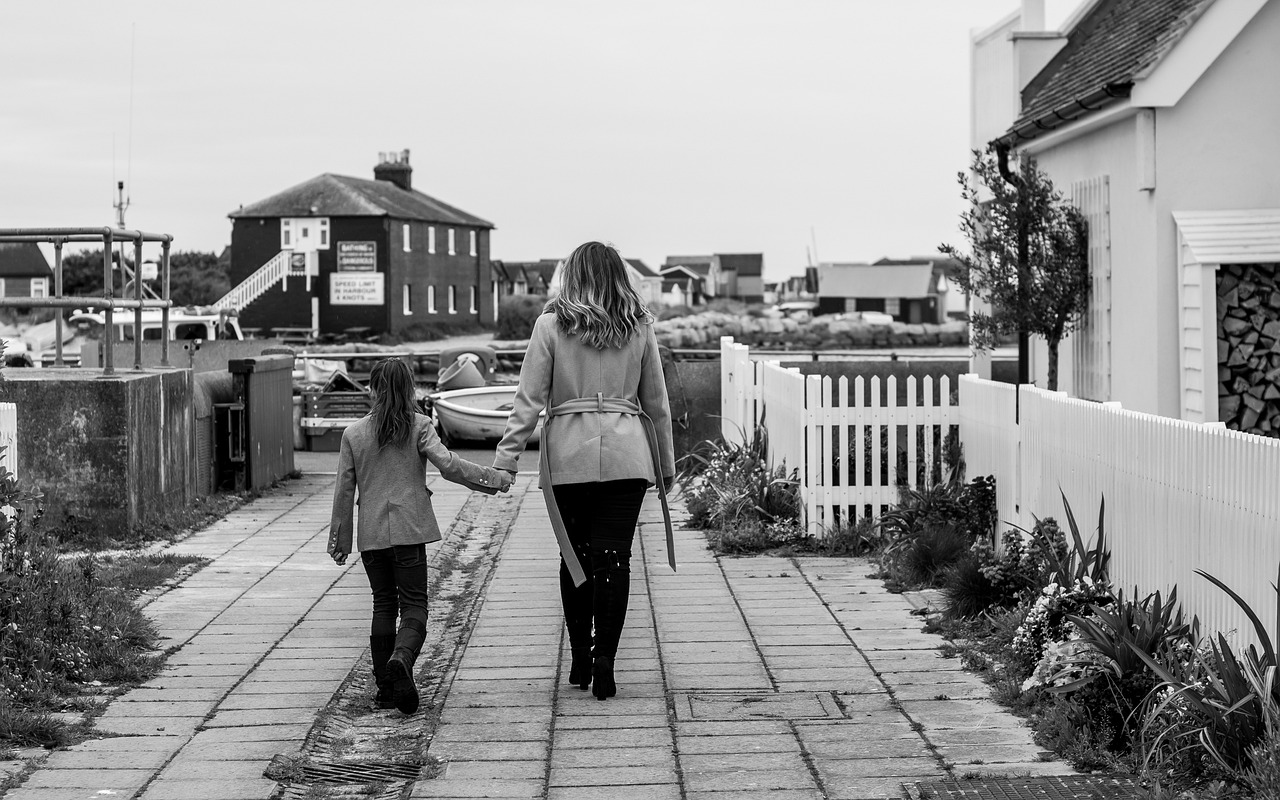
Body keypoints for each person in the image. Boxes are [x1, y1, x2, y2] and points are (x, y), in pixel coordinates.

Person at [494, 241, 675, 701]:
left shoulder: (550, 326)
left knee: (574, 558)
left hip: (567, 458)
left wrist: (506, 459)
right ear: (620, 276)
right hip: (627, 456)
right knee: (614, 558)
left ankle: (579, 658)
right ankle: (606, 661)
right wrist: (666, 465)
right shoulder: (639, 328)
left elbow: (527, 402)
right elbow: (657, 404)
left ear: (572, 276)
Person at [328, 358, 512, 714]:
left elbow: (342, 492)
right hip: (409, 532)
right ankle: (401, 658)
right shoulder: (419, 426)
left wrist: (340, 542)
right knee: (415, 607)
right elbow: (450, 466)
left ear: (373, 389)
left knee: (383, 605)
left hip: (372, 536)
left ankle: (384, 689)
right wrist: (493, 479)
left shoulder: (353, 434)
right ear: (409, 389)